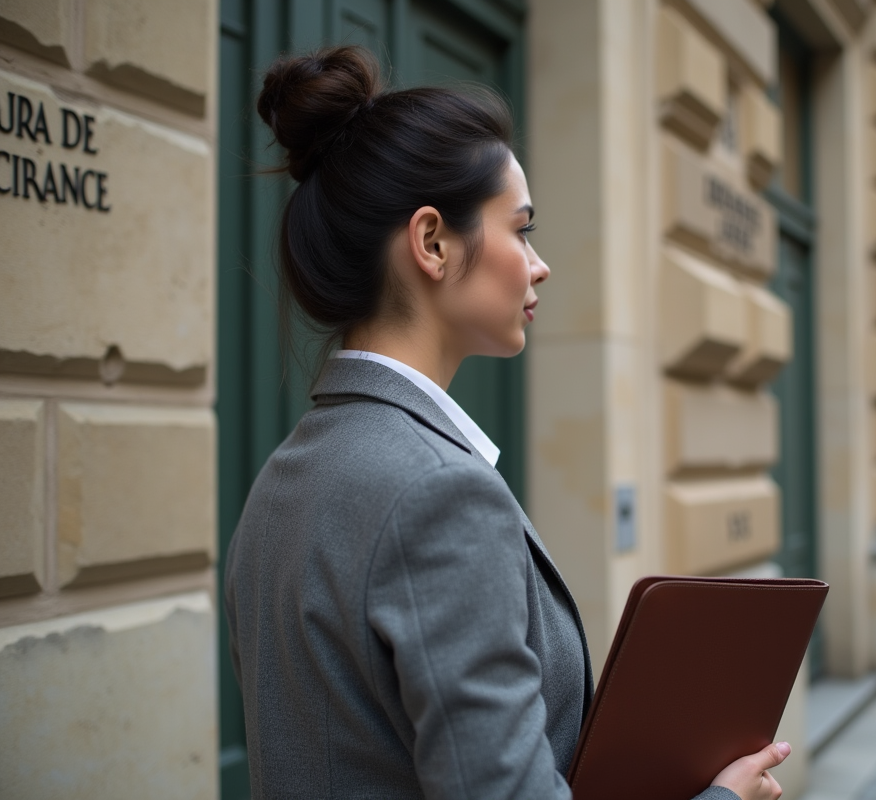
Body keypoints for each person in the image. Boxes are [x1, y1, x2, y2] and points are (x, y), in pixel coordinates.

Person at [222, 47, 787, 800]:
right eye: (520, 230)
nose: (539, 263)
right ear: (431, 243)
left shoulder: (279, 482)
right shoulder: (439, 493)